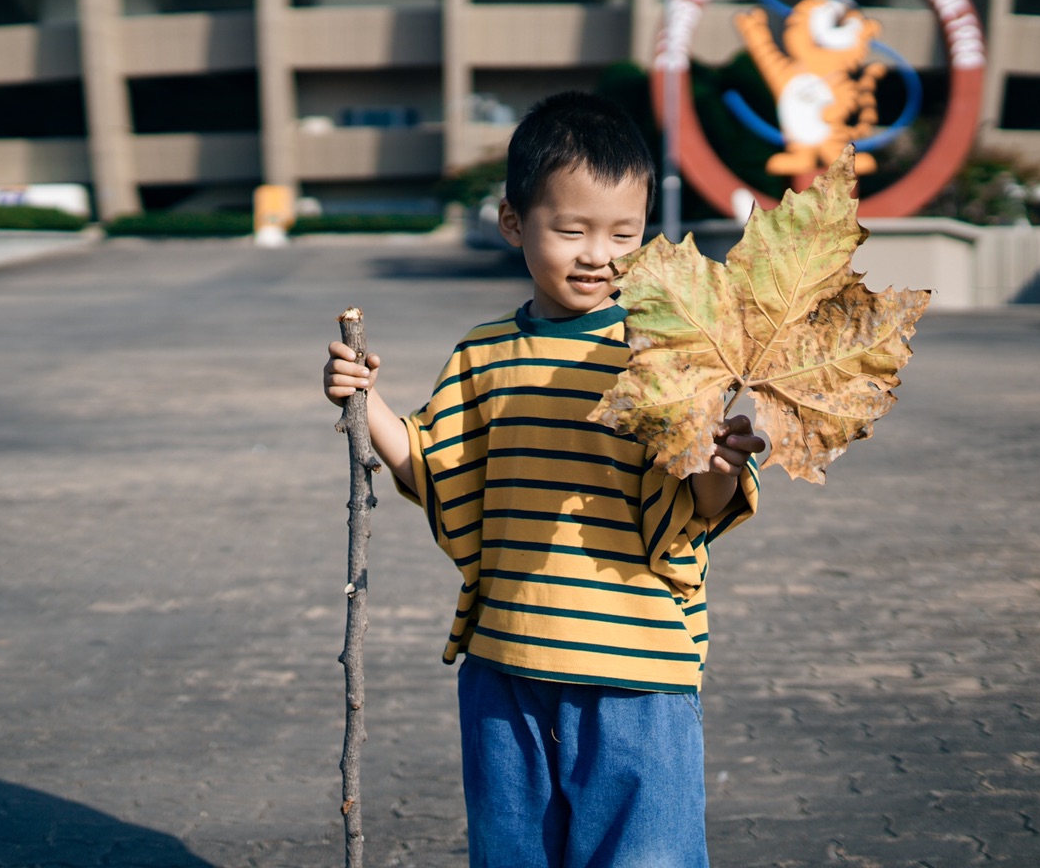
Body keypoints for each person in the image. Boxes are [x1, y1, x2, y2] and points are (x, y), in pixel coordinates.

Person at [323, 91, 765, 868]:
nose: (599, 255)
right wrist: (366, 399)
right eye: (572, 230)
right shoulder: (484, 353)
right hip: (506, 663)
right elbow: (432, 462)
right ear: (513, 223)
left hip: (638, 672)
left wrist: (722, 467)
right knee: (512, 855)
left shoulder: (666, 349)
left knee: (646, 857)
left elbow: (699, 507)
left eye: (624, 234)